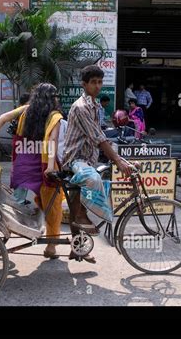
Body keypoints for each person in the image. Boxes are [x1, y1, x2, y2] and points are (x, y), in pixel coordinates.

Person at [63, 65, 133, 264]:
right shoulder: (81, 107)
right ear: (84, 85)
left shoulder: (96, 106)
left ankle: (77, 249)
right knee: (92, 181)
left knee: (77, 204)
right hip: (75, 160)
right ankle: (83, 220)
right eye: (93, 82)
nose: (97, 86)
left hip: (89, 160)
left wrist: (120, 158)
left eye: (100, 82)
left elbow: (101, 137)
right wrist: (118, 161)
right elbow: (99, 138)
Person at [0, 83, 64, 259]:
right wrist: (51, 166)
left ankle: (39, 228)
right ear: (51, 98)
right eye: (56, 96)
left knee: (43, 201)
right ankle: (51, 248)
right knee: (54, 207)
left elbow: (3, 117)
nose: (57, 99)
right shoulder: (55, 116)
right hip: (44, 167)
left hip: (25, 165)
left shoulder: (27, 110)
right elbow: (52, 141)